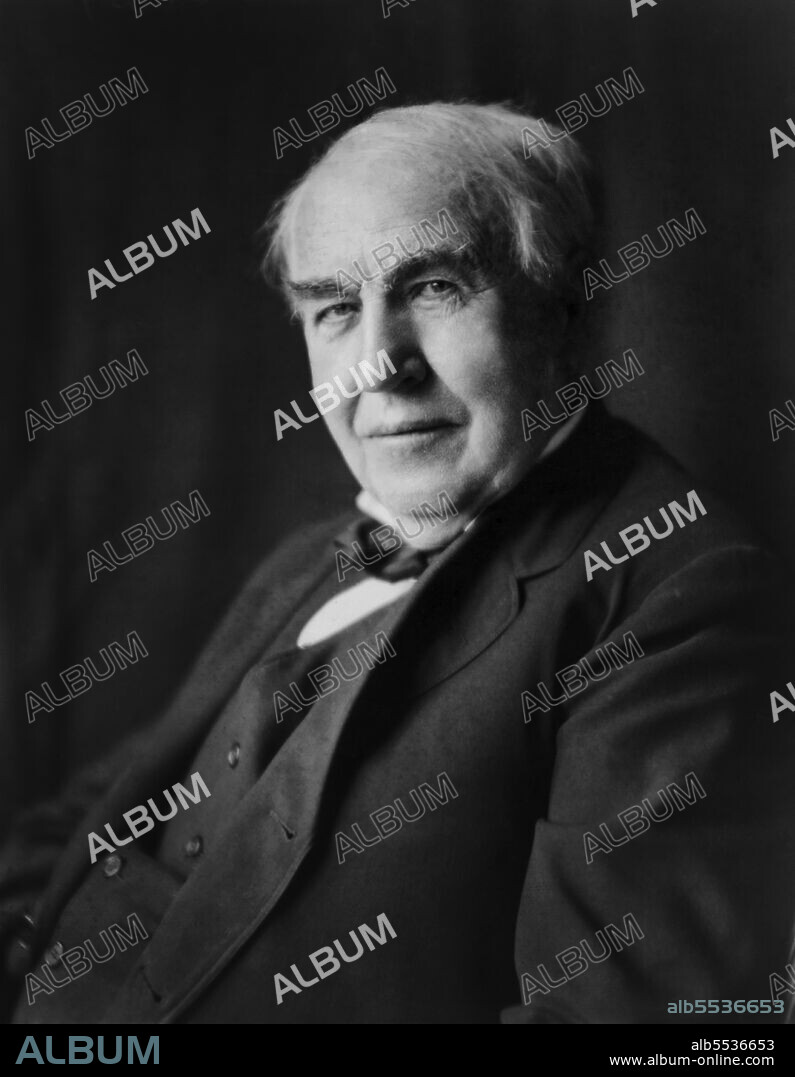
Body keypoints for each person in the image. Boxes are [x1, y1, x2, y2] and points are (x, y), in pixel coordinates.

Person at [2, 102, 794, 1025]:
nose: (375, 366)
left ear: (563, 314)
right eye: (336, 309)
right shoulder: (311, 556)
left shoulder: (676, 591)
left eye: (434, 288)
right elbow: (97, 821)